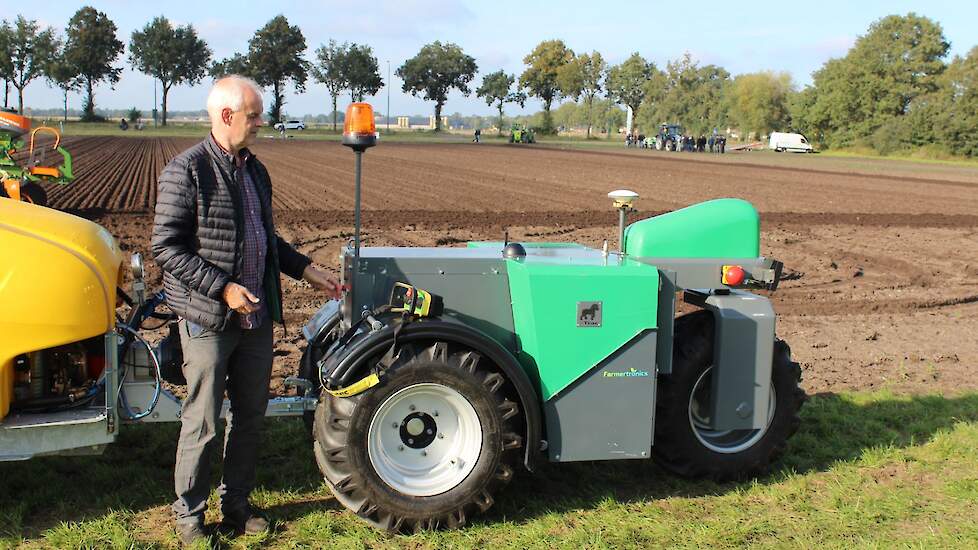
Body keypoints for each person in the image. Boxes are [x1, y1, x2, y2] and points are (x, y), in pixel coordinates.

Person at [151, 75, 340, 546]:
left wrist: (305, 270)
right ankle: (189, 519)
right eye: (254, 115)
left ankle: (236, 505)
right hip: (209, 319)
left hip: (254, 318)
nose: (261, 123)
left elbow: (264, 237)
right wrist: (222, 289)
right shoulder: (187, 171)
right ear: (227, 116)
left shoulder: (255, 170)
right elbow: (167, 248)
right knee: (204, 420)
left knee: (251, 415)